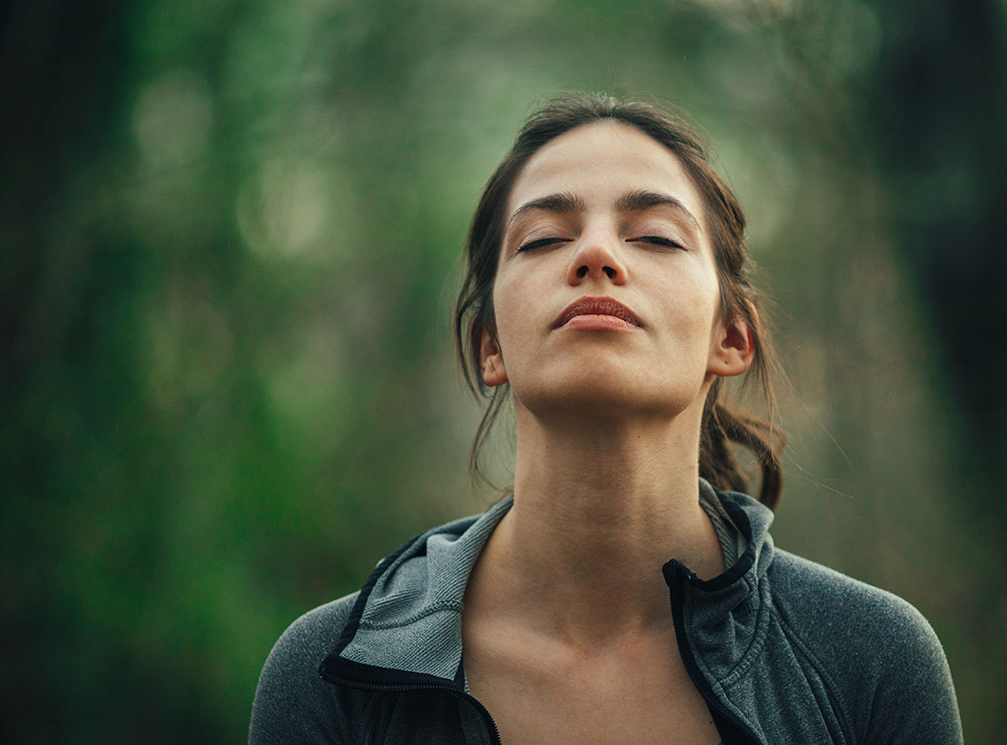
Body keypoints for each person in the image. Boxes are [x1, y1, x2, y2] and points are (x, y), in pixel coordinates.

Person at [248, 93, 964, 745]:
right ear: (490, 343)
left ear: (731, 337)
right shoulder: (330, 673)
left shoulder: (872, 661)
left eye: (655, 236)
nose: (595, 253)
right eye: (541, 239)